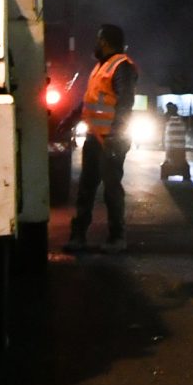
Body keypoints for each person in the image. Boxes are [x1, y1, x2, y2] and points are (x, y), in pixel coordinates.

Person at [69, 24, 139, 252]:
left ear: (106, 41)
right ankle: (78, 236)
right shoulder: (100, 67)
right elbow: (88, 101)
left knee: (111, 189)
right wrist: (68, 120)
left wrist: (115, 134)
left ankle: (117, 238)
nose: (96, 42)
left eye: (99, 38)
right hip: (95, 138)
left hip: (111, 139)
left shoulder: (121, 66)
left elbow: (125, 103)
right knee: (86, 188)